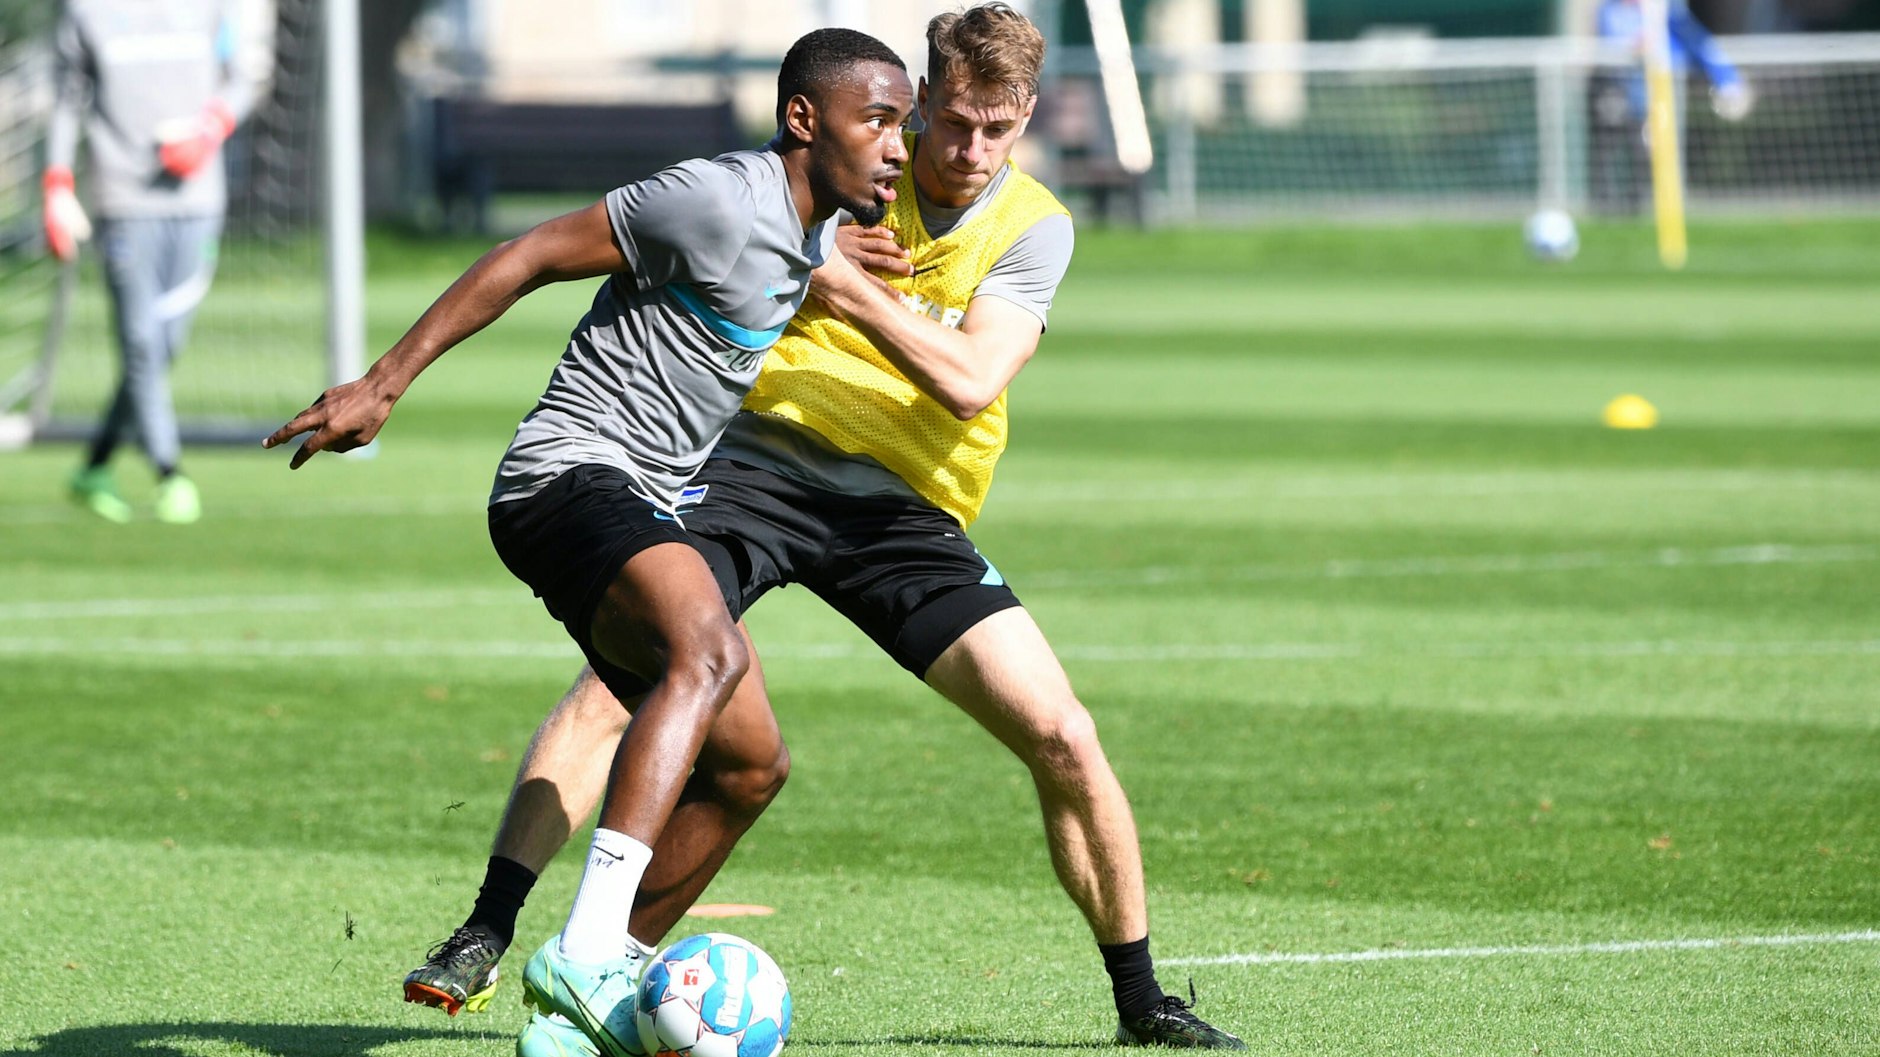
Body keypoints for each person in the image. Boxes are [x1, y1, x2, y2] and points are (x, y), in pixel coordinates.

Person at [403, 7, 1244, 1054]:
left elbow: (970, 381)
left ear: (1025, 119)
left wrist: (835, 280)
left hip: (905, 508)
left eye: (995, 129)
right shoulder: (848, 164)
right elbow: (722, 225)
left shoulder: (1032, 226)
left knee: (1062, 732)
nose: (965, 151)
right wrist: (815, 247)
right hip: (753, 466)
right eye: (950, 124)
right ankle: (488, 934)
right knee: (628, 681)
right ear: (923, 102)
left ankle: (1142, 1000)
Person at [263, 27, 915, 1057]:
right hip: (564, 474)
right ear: (803, 121)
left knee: (751, 766)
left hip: (635, 500)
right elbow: (527, 254)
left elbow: (804, 261)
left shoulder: (806, 233)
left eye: (902, 126)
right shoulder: (712, 198)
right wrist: (383, 381)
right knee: (707, 649)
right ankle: (590, 945)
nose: (896, 146)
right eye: (877, 120)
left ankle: (574, 1015)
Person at [46, 0, 274, 524]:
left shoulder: (212, 8)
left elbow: (241, 80)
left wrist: (210, 129)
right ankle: (171, 473)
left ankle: (95, 465)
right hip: (123, 202)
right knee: (141, 343)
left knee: (163, 346)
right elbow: (66, 99)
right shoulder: (86, 11)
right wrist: (56, 184)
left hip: (198, 204)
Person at [1590, 0, 1753, 213]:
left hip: (1651, 96)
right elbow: (1609, 40)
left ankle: (1638, 205)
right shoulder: (1609, 9)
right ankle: (1604, 206)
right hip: (1616, 91)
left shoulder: (1665, 10)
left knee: (1643, 150)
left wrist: (1725, 78)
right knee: (1608, 148)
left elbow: (1695, 41)